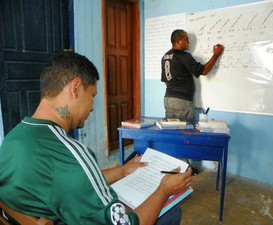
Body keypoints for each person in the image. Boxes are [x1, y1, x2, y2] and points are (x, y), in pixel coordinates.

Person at [0, 51, 192, 225]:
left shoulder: (14, 136)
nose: (92, 107)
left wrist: (123, 171)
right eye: (92, 95)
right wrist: (163, 190)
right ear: (76, 88)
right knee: (171, 213)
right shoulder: (70, 154)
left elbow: (69, 180)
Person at [161, 29, 224, 121]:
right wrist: (216, 55)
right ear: (178, 41)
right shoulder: (183, 56)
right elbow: (204, 71)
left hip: (168, 99)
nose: (188, 42)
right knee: (185, 132)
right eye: (186, 39)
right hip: (182, 101)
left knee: (172, 131)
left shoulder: (165, 56)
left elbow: (166, 81)